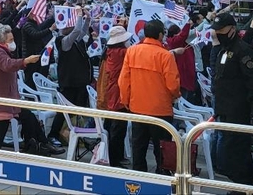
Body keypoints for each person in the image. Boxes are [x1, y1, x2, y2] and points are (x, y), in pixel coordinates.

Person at [0, 25, 63, 156]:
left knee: (28, 117)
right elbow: (8, 65)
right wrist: (26, 61)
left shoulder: (0, 51)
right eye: (10, 40)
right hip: (0, 102)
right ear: (2, 41)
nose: (13, 42)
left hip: (8, 101)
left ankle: (38, 144)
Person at [118, 20, 180, 173]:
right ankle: (163, 179)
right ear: (160, 34)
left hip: (137, 107)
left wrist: (126, 101)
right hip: (161, 110)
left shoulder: (132, 51)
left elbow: (123, 81)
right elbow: (173, 85)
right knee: (162, 150)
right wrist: (174, 97)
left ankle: (139, 181)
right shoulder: (165, 56)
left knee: (138, 147)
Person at [211, 13, 253, 193]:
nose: (218, 34)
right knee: (235, 153)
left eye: (222, 30)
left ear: (232, 30)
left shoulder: (244, 51)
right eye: (216, 31)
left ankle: (242, 185)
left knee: (234, 153)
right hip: (225, 110)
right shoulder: (223, 51)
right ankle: (245, 185)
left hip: (239, 111)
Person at [48, 10, 94, 146]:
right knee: (63, 111)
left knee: (79, 110)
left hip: (80, 82)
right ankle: (53, 134)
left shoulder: (76, 41)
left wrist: (88, 17)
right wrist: (79, 16)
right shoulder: (63, 41)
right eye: (68, 25)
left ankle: (75, 134)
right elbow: (76, 32)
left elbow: (82, 32)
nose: (71, 27)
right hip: (68, 83)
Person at [96, 25, 132, 168]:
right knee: (118, 130)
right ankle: (114, 160)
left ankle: (113, 157)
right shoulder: (121, 53)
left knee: (111, 128)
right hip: (118, 96)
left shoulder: (110, 52)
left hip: (110, 94)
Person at [165, 24, 200, 105]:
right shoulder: (174, 42)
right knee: (182, 103)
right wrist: (187, 24)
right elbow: (183, 35)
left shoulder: (184, 43)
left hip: (188, 76)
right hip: (181, 79)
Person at [20, 8, 54, 90]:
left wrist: (52, 18)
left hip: (36, 54)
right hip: (30, 55)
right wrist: (50, 29)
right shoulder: (27, 25)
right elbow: (35, 35)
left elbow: (43, 26)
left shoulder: (34, 24)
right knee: (30, 79)